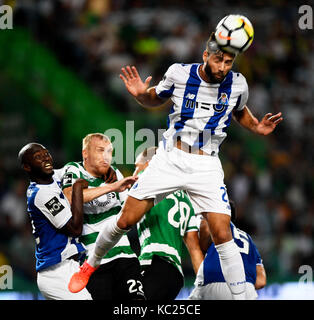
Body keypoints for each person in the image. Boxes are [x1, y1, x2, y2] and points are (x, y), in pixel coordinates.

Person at [69, 29, 282, 299]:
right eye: (219, 61)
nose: (223, 68)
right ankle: (89, 265)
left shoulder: (238, 84)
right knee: (126, 219)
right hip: (171, 157)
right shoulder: (179, 74)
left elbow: (240, 111)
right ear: (206, 55)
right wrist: (139, 94)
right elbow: (153, 98)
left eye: (229, 63)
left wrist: (256, 126)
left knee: (222, 233)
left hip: (207, 165)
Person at [63, 133, 145, 300]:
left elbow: (128, 212)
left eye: (109, 151)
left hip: (124, 255)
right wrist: (112, 187)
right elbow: (70, 197)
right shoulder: (74, 169)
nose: (106, 156)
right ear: (85, 153)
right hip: (92, 263)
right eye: (100, 150)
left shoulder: (115, 173)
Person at [18, 142, 92, 300]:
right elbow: (74, 228)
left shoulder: (53, 177)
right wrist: (77, 189)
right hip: (56, 272)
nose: (45, 158)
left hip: (71, 266)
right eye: (38, 157)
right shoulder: (40, 194)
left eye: (46, 154)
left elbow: (74, 167)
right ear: (27, 167)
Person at [134, 147, 204, 299]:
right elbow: (194, 248)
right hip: (175, 275)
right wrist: (203, 285)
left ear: (150, 163)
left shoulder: (147, 179)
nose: (135, 172)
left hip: (154, 260)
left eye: (137, 166)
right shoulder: (186, 198)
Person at [188, 200, 266, 300]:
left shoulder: (212, 227)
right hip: (248, 291)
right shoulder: (247, 238)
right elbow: (261, 281)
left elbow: (199, 246)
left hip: (215, 285)